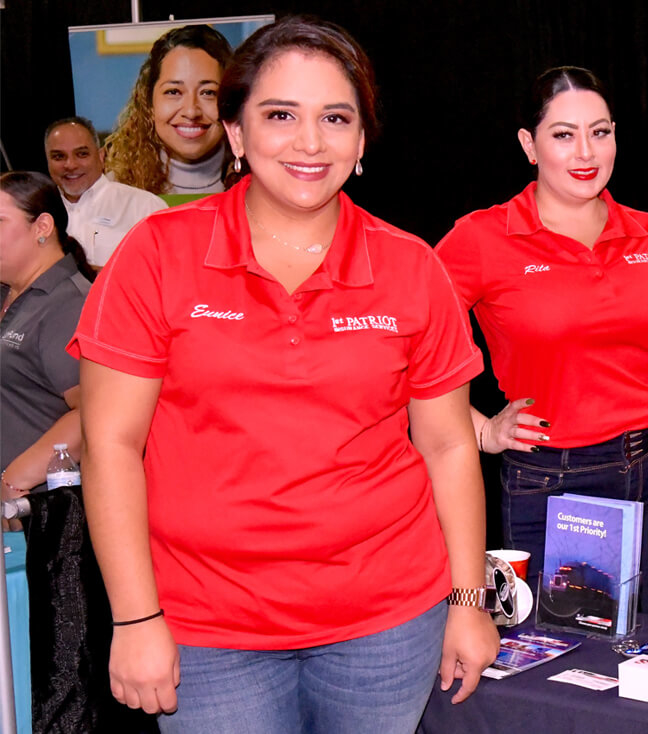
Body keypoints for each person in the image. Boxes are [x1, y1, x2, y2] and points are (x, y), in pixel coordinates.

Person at [69, 17, 498, 731]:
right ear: (236, 133)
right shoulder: (156, 255)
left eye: (335, 118)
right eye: (280, 115)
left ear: (361, 142)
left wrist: (468, 603)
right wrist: (135, 617)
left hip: (388, 626)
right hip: (207, 631)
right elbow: (109, 444)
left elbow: (450, 445)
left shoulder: (410, 266)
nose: (309, 143)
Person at [435, 66, 648, 618]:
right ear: (529, 145)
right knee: (567, 658)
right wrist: (482, 430)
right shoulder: (481, 238)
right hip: (555, 485)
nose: (586, 152)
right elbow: (409, 355)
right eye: (563, 134)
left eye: (600, 131)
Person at [0, 172, 95, 529]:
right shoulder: (10, 293)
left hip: (41, 518)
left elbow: (96, 412)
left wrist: (15, 481)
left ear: (41, 227)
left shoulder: (69, 305)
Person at [104, 24, 234, 197]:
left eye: (208, 93)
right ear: (149, 103)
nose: (191, 112)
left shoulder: (260, 185)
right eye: (173, 92)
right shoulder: (115, 190)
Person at [45, 117, 167, 266]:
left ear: (101, 156)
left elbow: (169, 269)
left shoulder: (145, 207)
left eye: (82, 154)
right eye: (59, 157)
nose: (70, 165)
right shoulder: (35, 211)